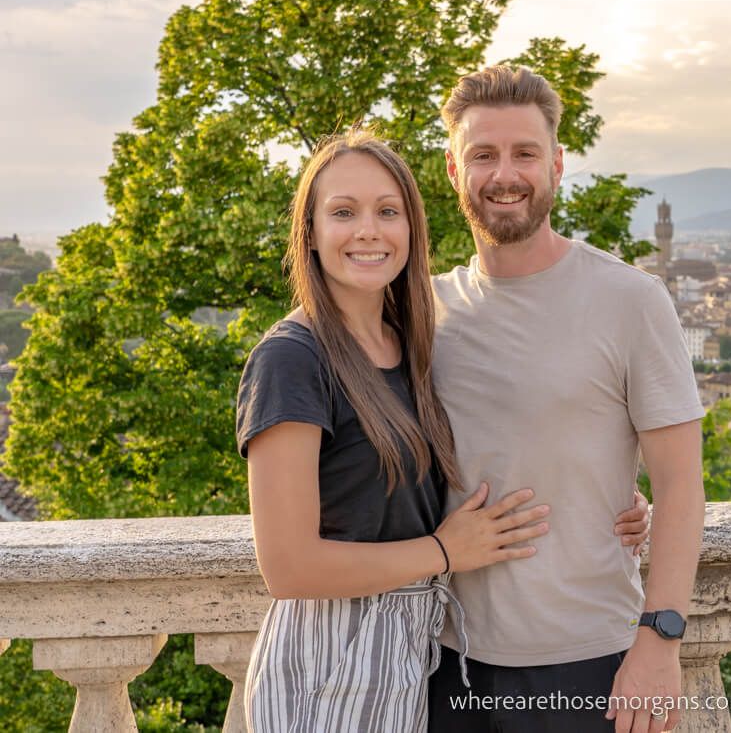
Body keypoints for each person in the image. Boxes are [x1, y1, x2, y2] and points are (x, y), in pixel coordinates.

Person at [236, 130, 648, 731]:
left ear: (412, 228)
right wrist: (445, 552)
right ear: (311, 233)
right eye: (343, 212)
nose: (368, 231)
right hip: (328, 661)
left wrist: (607, 499)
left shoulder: (409, 341)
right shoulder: (293, 358)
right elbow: (289, 567)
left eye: (388, 211)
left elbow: (504, 431)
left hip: (413, 655)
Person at [427, 65, 706, 733]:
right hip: (439, 662)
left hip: (589, 665)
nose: (505, 175)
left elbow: (681, 486)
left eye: (525, 153)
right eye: (483, 155)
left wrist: (660, 640)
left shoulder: (630, 300)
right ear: (452, 170)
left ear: (556, 165)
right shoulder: (422, 309)